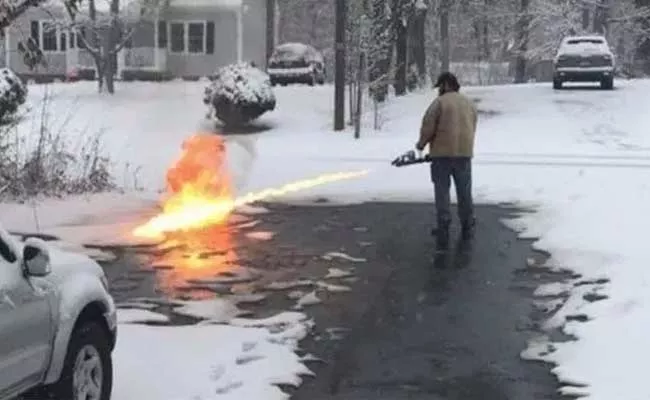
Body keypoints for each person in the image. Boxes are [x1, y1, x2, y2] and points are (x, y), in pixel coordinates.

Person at [416, 72, 478, 249]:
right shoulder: (468, 103)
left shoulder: (440, 103)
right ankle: (467, 222)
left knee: (442, 191)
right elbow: (473, 124)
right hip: (464, 154)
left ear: (445, 85)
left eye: (440, 87)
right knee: (464, 190)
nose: (439, 91)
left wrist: (421, 145)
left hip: (442, 155)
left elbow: (428, 126)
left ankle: (444, 224)